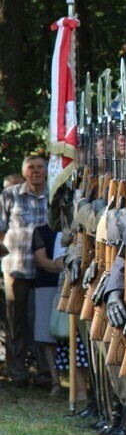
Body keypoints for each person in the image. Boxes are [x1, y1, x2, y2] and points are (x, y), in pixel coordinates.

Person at [0, 154, 50, 387]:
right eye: (31, 167)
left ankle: (45, 373)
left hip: (46, 270)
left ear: (46, 171)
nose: (36, 171)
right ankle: (18, 373)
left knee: (43, 323)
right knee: (15, 323)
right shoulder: (10, 195)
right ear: (24, 171)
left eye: (40, 167)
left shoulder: (54, 195)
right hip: (16, 267)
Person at [31, 223, 66, 394]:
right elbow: (42, 261)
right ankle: (55, 381)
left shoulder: (75, 228)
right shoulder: (42, 231)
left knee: (72, 336)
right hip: (47, 285)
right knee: (47, 334)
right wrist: (64, 268)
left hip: (69, 286)